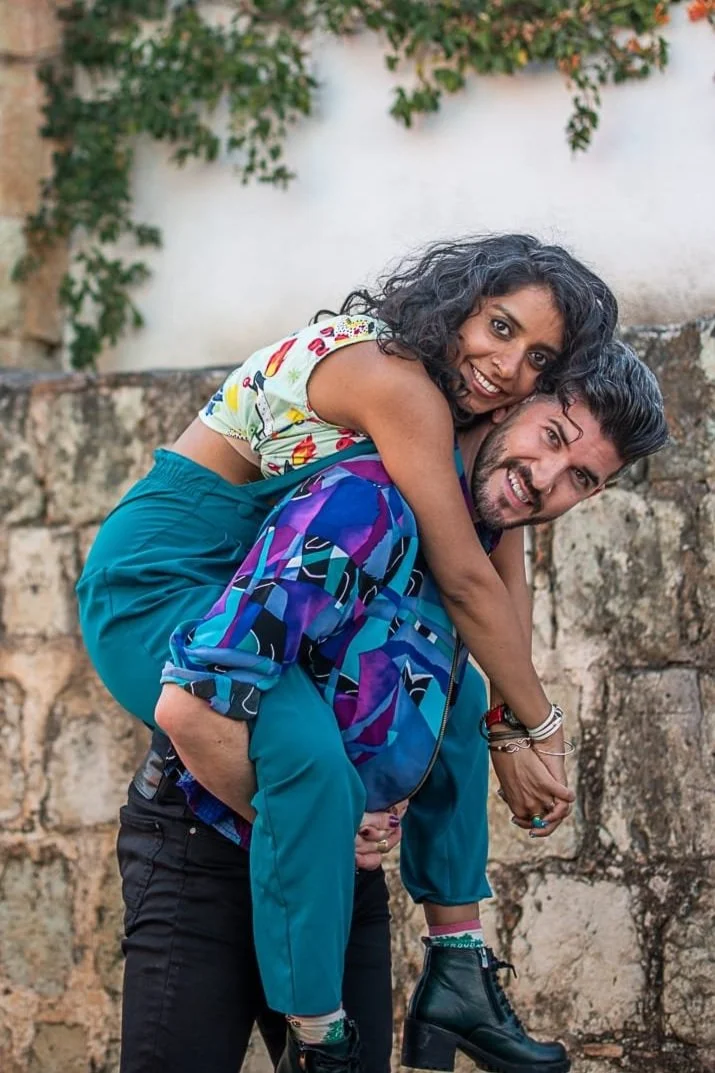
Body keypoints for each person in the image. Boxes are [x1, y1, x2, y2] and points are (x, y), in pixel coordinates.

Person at [77, 235, 624, 1072]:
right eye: (500, 327)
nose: (506, 364)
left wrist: (505, 722)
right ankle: (319, 1029)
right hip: (161, 578)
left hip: (247, 586)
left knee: (442, 708)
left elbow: (493, 571)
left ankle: (460, 960)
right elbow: (465, 580)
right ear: (461, 301)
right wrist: (543, 722)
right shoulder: (398, 384)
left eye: (537, 358)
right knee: (306, 754)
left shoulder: (466, 420)